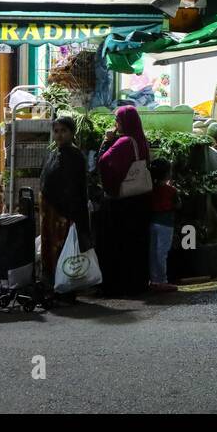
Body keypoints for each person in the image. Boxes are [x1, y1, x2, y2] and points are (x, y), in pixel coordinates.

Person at [95, 105, 154, 296]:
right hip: (140, 201)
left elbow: (105, 162)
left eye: (118, 120)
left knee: (118, 244)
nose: (115, 124)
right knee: (136, 244)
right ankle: (137, 283)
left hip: (123, 203)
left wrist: (106, 142)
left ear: (125, 122)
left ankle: (119, 285)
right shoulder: (141, 140)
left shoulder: (124, 142)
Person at [39, 115, 90, 297]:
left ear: (72, 132)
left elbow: (74, 187)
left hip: (65, 213)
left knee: (63, 250)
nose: (59, 135)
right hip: (51, 213)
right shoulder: (56, 152)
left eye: (64, 131)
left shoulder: (74, 156)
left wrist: (70, 213)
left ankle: (65, 288)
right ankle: (54, 285)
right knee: (52, 250)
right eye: (56, 131)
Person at [147, 157, 178, 292]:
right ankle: (162, 281)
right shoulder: (171, 190)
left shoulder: (149, 189)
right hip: (166, 224)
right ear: (167, 174)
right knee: (162, 253)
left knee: (153, 252)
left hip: (152, 222)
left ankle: (154, 280)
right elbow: (178, 205)